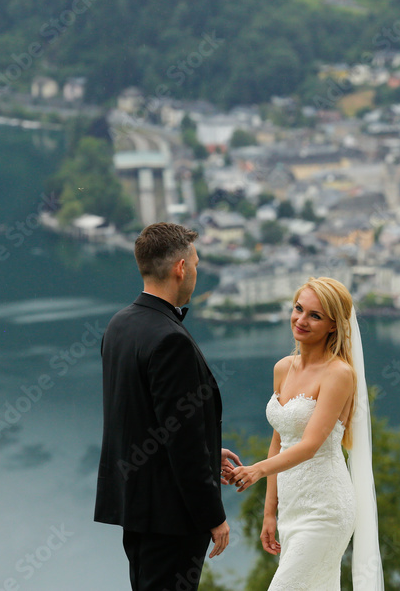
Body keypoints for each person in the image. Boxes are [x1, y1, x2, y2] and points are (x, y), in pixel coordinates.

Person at [94, 222, 242, 591]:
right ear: (180, 268)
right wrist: (214, 516)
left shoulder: (120, 325)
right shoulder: (168, 339)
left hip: (137, 507)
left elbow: (137, 418)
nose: (196, 270)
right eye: (195, 262)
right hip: (172, 516)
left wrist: (210, 450)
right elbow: (182, 441)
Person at [228, 276, 383, 590]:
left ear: (333, 326)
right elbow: (278, 441)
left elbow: (311, 445)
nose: (301, 320)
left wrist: (255, 470)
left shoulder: (339, 374)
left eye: (315, 315)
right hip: (291, 506)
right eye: (298, 309)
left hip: (325, 509)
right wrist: (269, 512)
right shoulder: (282, 368)